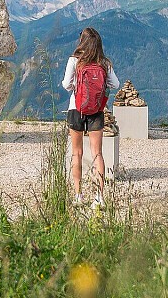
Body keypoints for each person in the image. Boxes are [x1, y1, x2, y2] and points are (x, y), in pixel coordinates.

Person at [62, 27, 120, 207]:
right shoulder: (104, 63)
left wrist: (76, 88)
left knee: (77, 153)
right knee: (97, 154)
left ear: (82, 42)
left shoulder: (74, 61)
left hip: (76, 109)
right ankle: (99, 198)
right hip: (96, 110)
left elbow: (66, 84)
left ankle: (78, 196)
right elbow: (116, 84)